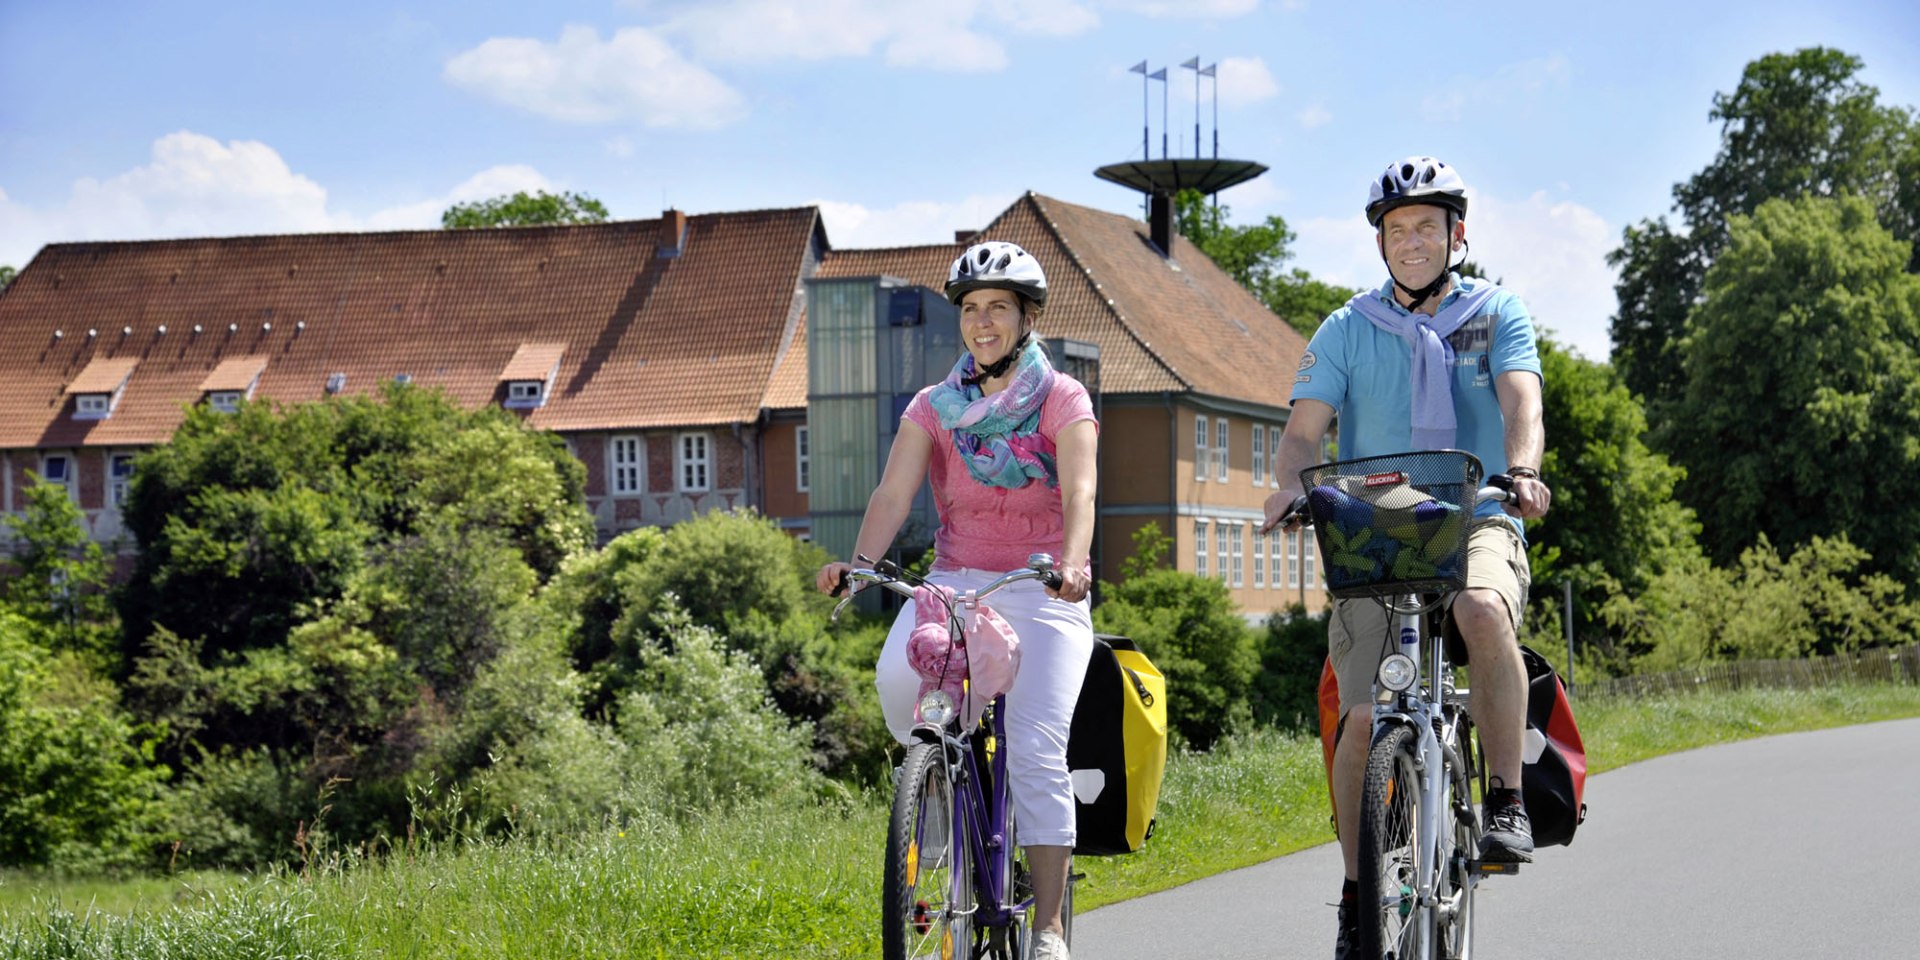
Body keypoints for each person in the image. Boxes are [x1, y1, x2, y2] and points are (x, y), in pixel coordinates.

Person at [1260, 156, 1552, 959]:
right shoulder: (1347, 328)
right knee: (1361, 720)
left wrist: (1522, 470)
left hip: (1479, 507)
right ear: (1380, 241)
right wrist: (1290, 488)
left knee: (1481, 608)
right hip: (1376, 520)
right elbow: (1301, 436)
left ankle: (1505, 800)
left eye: (1427, 225)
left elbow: (1521, 398)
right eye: (1397, 228)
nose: (1412, 240)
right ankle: (1359, 893)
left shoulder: (1496, 312)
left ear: (1456, 234)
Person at [816, 240, 1097, 960]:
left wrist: (1071, 562)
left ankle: (1051, 928)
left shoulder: (1063, 398)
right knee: (897, 682)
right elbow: (893, 491)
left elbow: (1082, 489)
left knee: (1035, 751)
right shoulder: (933, 407)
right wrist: (859, 565)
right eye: (972, 309)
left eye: (998, 308)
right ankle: (936, 791)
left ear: (1027, 317)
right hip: (957, 581)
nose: (983, 322)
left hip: (1040, 585)